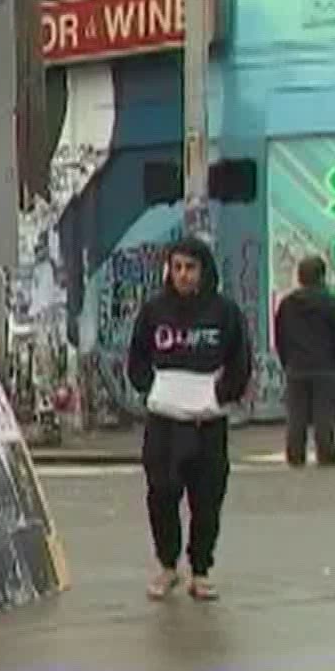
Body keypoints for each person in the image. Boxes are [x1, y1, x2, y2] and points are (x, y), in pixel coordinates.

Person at [126, 236, 252, 603]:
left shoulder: (225, 312)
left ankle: (201, 570)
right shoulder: (153, 311)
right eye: (177, 267)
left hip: (208, 423)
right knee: (162, 494)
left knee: (207, 497)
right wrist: (153, 389)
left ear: (203, 270)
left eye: (190, 268)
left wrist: (221, 395)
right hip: (164, 421)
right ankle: (167, 565)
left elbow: (239, 360)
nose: (183, 275)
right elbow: (137, 357)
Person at [273, 255, 335, 466]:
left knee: (296, 414)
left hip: (296, 365)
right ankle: (326, 452)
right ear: (322, 276)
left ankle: (295, 453)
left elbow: (280, 335)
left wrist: (286, 360)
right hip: (325, 364)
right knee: (323, 413)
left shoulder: (287, 304)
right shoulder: (332, 303)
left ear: (299, 277)